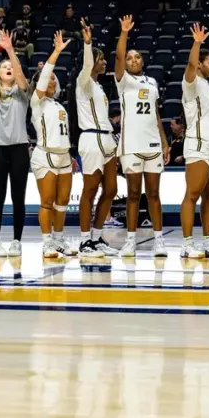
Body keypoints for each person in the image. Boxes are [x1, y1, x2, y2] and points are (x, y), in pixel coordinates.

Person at [0, 27, 36, 257]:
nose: (9, 68)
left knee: (18, 198)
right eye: (4, 67)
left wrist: (10, 51)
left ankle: (16, 241)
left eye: (10, 66)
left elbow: (21, 76)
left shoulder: (23, 92)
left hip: (19, 149)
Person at [114, 15, 168, 257]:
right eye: (129, 58)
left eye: (137, 57)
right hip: (131, 145)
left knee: (154, 194)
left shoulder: (152, 82)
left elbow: (156, 114)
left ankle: (159, 241)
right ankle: (130, 240)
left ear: (143, 61)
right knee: (134, 194)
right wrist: (124, 32)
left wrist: (165, 142)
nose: (133, 60)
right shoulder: (122, 80)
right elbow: (118, 57)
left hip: (153, 144)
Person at [177, 23, 209, 259]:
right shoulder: (192, 82)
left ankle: (208, 242)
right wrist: (197, 43)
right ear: (200, 64)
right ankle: (187, 244)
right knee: (192, 194)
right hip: (198, 143)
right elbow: (190, 65)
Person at [30, 31, 77, 258]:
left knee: (63, 202)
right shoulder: (37, 102)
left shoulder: (59, 105)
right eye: (48, 78)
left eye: (54, 78)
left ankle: (59, 240)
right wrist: (57, 51)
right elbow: (44, 75)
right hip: (45, 155)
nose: (52, 80)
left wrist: (70, 155)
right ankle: (47, 242)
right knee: (47, 202)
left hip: (64, 156)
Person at [75, 22, 120, 258]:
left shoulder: (99, 87)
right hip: (91, 138)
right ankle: (85, 242)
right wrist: (87, 44)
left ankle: (97, 237)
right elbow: (86, 65)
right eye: (100, 59)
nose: (104, 62)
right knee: (90, 190)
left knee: (111, 189)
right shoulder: (82, 82)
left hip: (107, 139)